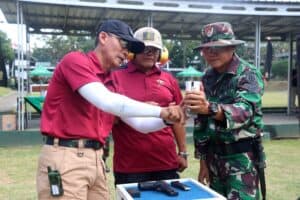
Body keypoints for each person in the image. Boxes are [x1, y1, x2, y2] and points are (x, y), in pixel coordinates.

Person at [36, 19, 184, 200]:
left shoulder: (111, 81)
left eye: (129, 48)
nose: (126, 52)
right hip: (66, 157)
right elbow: (106, 102)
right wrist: (159, 111)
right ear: (103, 37)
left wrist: (168, 119)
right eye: (124, 44)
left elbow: (140, 124)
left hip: (96, 159)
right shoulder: (75, 61)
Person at [184, 22, 266, 200]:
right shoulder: (207, 77)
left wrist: (209, 108)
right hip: (214, 158)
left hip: (241, 159)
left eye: (217, 48)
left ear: (232, 48)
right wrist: (203, 160)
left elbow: (245, 112)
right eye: (207, 49)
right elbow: (201, 122)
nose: (211, 53)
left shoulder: (247, 74)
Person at [111, 27, 188, 185]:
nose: (150, 53)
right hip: (129, 166)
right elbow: (110, 118)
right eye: (144, 48)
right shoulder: (115, 77)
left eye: (154, 49)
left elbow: (177, 118)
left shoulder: (169, 79)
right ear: (133, 50)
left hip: (166, 162)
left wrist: (183, 152)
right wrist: (138, 108)